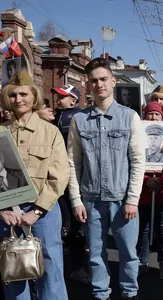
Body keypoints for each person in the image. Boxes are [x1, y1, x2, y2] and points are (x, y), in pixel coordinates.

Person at [67, 57, 146, 300]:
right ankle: (101, 294)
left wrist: (132, 199)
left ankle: (129, 292)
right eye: (93, 81)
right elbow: (73, 162)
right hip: (91, 200)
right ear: (88, 86)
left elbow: (137, 161)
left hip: (122, 200)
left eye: (103, 79)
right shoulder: (79, 120)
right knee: (95, 254)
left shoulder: (130, 117)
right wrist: (76, 201)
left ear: (113, 81)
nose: (99, 84)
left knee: (128, 253)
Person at [0, 69, 70, 300]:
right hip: (8, 214)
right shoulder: (1, 132)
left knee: (51, 270)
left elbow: (59, 176)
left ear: (34, 97)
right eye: (13, 95)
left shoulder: (50, 132)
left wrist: (37, 211)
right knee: (14, 272)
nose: (18, 100)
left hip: (43, 212)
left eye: (23, 94)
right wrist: (2, 209)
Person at [49, 83, 89, 283]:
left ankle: (77, 266)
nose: (59, 99)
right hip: (63, 175)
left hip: (66, 175)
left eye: (63, 96)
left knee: (73, 223)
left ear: (73, 100)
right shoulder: (61, 115)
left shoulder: (70, 117)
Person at [137, 102, 163, 279]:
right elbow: (132, 161)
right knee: (143, 227)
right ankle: (142, 260)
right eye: (150, 114)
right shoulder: (138, 134)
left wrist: (162, 181)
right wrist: (146, 180)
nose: (153, 117)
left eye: (157, 114)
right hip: (143, 189)